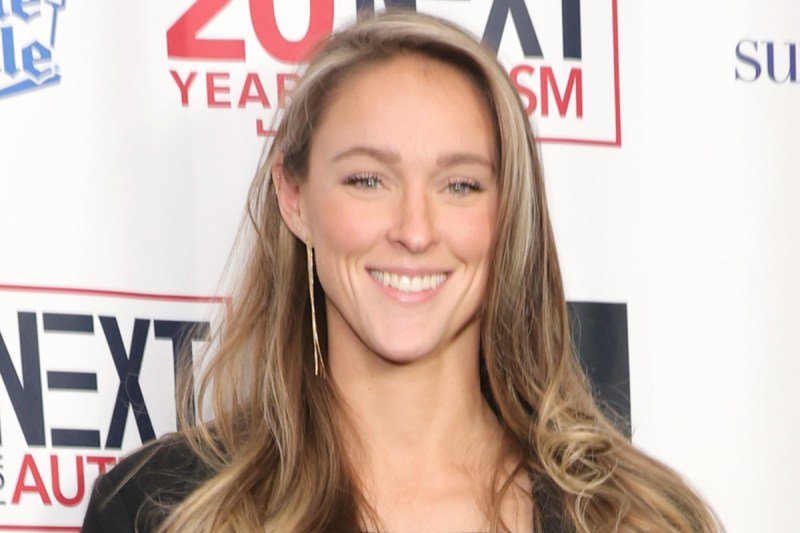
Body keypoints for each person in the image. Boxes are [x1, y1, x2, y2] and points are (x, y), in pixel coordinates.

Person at [82, 9, 721, 533]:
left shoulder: (637, 518)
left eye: (461, 185)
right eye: (368, 180)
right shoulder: (157, 510)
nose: (414, 231)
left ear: (509, 214)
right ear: (294, 197)